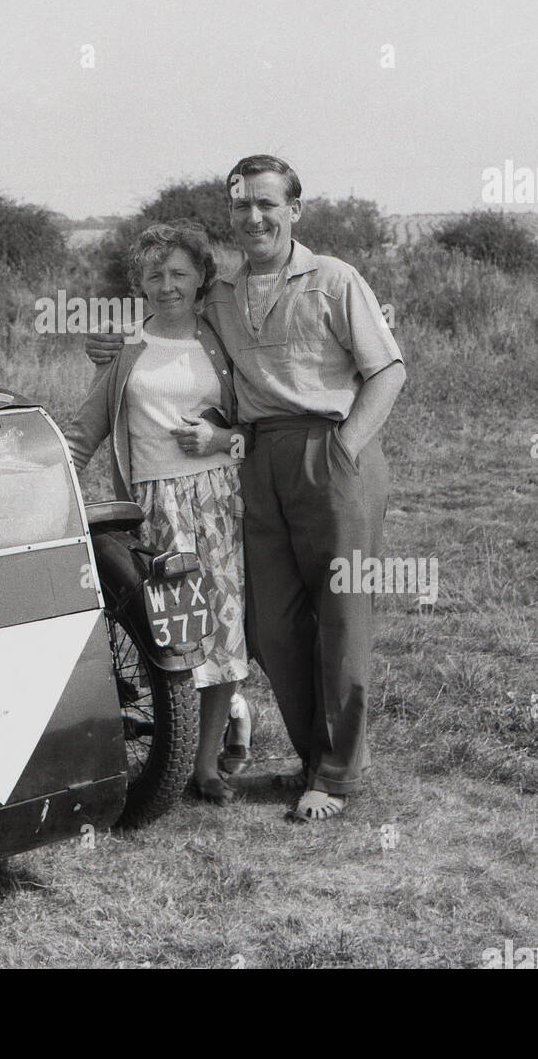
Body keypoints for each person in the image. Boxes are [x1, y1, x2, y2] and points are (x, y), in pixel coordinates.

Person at [87, 156, 406, 821]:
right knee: (268, 627)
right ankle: (312, 755)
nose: (254, 217)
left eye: (267, 204)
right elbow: (164, 316)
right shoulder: (223, 293)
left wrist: (345, 447)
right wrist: (114, 344)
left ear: (295, 209)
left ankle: (338, 775)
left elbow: (387, 372)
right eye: (241, 207)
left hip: (331, 451)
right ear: (230, 216)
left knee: (342, 618)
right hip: (255, 461)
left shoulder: (334, 279)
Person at [64, 222, 251, 803]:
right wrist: (50, 477)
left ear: (201, 278)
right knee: (173, 637)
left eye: (178, 273)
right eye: (154, 275)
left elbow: (256, 429)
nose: (167, 285)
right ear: (138, 282)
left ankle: (206, 768)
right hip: (154, 511)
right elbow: (85, 429)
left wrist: (220, 442)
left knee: (222, 634)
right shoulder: (124, 349)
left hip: (218, 504)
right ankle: (171, 754)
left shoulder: (225, 342)